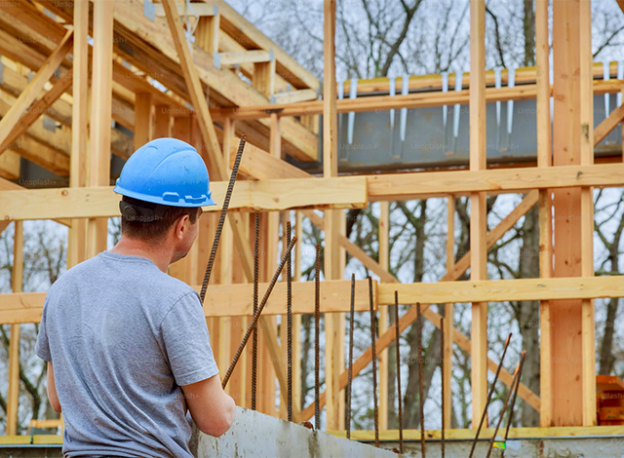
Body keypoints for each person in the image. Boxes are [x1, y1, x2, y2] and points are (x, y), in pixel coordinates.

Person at [35, 138, 236, 458]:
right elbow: (215, 420)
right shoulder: (174, 299)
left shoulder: (64, 288)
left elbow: (58, 398)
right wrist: (222, 401)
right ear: (183, 225)